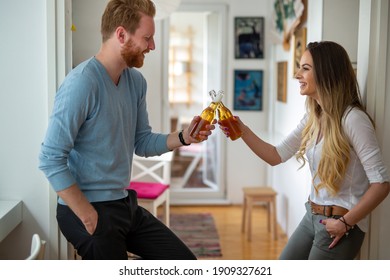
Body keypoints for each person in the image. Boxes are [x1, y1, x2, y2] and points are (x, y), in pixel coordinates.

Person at [38, 0, 215, 260]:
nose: (152, 46)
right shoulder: (82, 83)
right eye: (148, 38)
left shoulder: (135, 82)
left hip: (124, 204)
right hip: (87, 210)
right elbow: (50, 158)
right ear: (121, 35)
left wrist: (183, 137)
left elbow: (141, 141)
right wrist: (87, 214)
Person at [220, 41, 390, 260]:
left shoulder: (353, 119)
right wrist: (242, 130)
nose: (297, 75)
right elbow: (276, 155)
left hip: (339, 224)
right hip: (312, 215)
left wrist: (346, 223)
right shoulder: (314, 117)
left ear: (327, 73)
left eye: (305, 68)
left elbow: (381, 184)